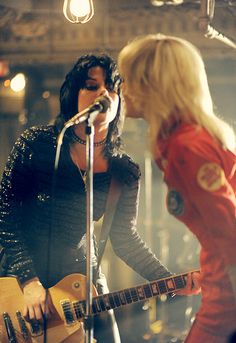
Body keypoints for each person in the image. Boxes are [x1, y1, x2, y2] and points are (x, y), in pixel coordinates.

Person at [0, 53, 198, 343]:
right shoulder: (36, 144)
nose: (104, 93)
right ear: (73, 95)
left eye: (112, 87)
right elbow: (6, 215)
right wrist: (29, 281)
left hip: (81, 279)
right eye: (92, 86)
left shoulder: (125, 170)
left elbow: (125, 238)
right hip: (20, 280)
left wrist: (168, 281)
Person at [118, 33, 236, 343]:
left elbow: (230, 230)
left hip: (226, 298)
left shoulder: (187, 146)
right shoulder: (187, 139)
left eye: (127, 79)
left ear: (150, 85)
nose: (121, 90)